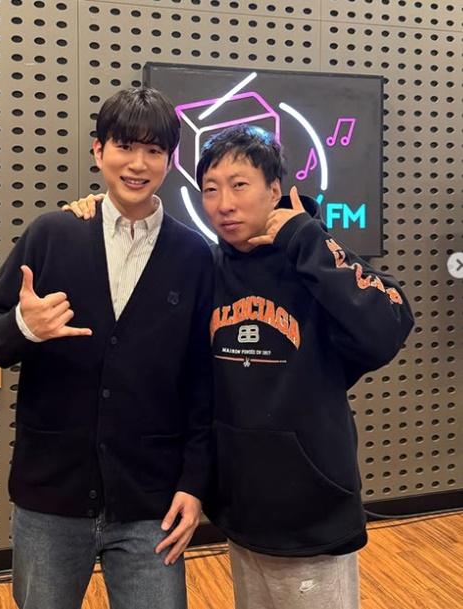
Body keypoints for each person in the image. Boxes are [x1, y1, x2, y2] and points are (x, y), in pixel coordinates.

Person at [66, 123, 414, 609]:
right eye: (210, 190)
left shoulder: (315, 261)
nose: (224, 204)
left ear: (275, 190)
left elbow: (387, 326)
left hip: (310, 509)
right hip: (242, 508)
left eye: (239, 185)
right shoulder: (208, 267)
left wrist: (306, 239)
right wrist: (95, 214)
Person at [0, 87, 215, 609]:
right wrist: (23, 326)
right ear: (99, 150)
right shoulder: (53, 234)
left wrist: (195, 484)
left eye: (154, 151)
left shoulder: (194, 255)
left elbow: (202, 383)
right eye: (125, 146)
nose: (138, 164)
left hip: (151, 500)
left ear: (170, 161)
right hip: (50, 496)